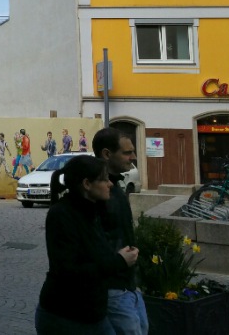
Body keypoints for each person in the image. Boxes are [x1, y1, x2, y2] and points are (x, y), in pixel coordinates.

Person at [34, 155, 137, 334]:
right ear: (87, 184)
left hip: (92, 314)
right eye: (104, 179)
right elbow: (68, 270)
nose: (110, 184)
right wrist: (119, 261)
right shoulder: (62, 214)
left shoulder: (93, 210)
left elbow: (96, 252)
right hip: (65, 316)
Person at [94, 128, 147, 335]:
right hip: (113, 287)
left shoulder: (115, 188)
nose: (133, 157)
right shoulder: (97, 194)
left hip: (128, 284)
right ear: (107, 154)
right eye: (127, 153)